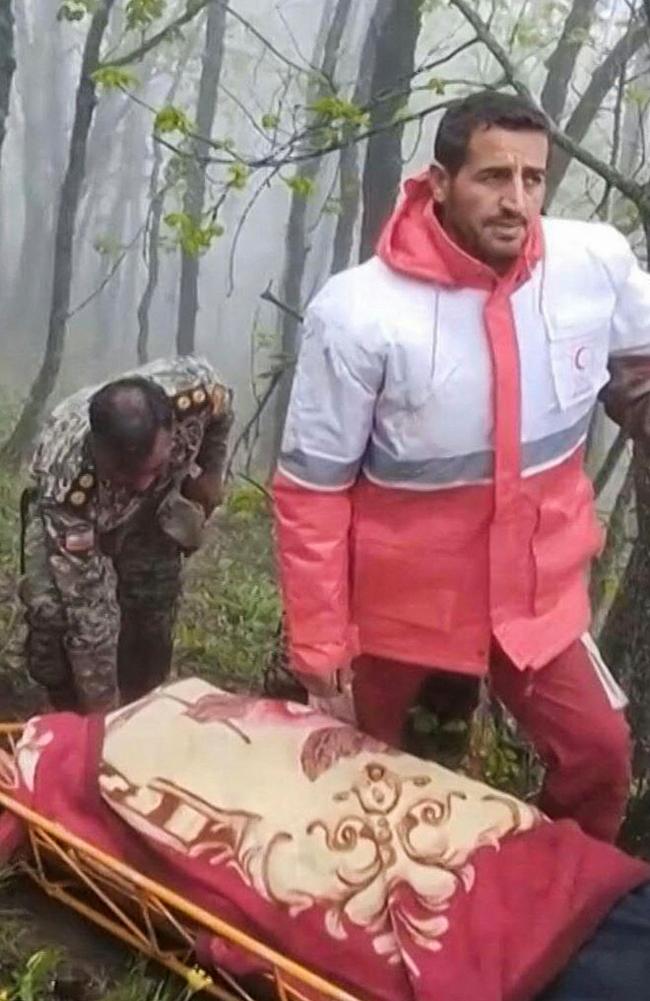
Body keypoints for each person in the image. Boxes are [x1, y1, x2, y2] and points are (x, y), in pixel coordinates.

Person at [273, 89, 650, 844]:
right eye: (492, 177)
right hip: (400, 614)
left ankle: (547, 909)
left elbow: (640, 373)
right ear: (440, 182)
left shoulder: (593, 264)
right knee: (366, 791)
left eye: (533, 179)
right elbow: (311, 496)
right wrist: (320, 649)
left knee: (602, 758)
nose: (517, 201)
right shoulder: (359, 314)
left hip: (538, 604)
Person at [20, 356, 233, 714]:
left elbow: (221, 414)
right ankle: (66, 706)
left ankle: (146, 702)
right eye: (128, 474)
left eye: (152, 467)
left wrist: (210, 471)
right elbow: (91, 612)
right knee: (53, 616)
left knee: (151, 605)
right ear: (100, 453)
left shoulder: (194, 393)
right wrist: (105, 715)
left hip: (154, 511)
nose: (142, 483)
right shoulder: (69, 486)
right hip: (80, 515)